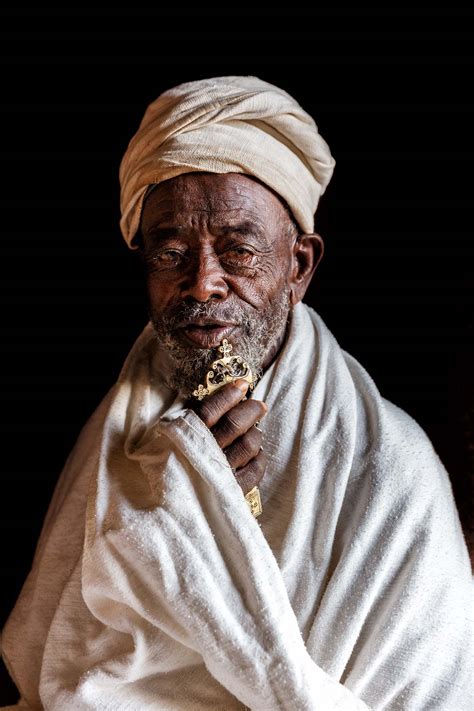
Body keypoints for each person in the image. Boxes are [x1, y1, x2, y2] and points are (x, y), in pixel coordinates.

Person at [1, 75, 472, 710]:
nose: (202, 285)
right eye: (170, 254)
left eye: (238, 251)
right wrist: (172, 501)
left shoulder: (389, 468)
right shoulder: (118, 434)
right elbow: (49, 669)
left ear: (299, 266)